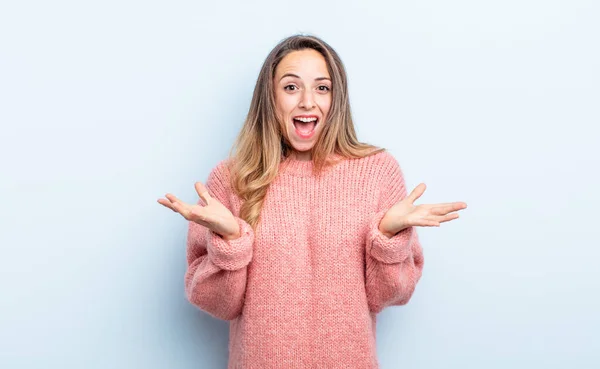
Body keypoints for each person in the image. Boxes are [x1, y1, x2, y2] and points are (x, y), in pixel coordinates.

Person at [157, 34, 467, 369]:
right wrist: (230, 241)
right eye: (291, 87)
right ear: (270, 97)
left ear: (337, 99)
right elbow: (219, 305)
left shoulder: (377, 171)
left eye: (322, 88)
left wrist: (387, 238)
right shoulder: (233, 178)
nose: (307, 102)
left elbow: (389, 296)